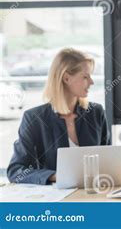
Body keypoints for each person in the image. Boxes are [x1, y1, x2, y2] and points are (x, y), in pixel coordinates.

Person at [7, 48, 110, 185]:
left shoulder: (96, 112)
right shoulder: (34, 118)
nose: (91, 82)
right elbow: (16, 171)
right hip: (56, 198)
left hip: (93, 194)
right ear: (66, 78)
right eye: (85, 77)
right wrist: (55, 176)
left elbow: (109, 160)